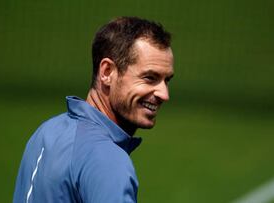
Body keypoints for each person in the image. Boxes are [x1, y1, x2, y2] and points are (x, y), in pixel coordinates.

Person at [13, 16, 174, 203]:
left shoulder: (48, 131)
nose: (164, 94)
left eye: (167, 80)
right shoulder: (109, 162)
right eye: (149, 77)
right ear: (107, 72)